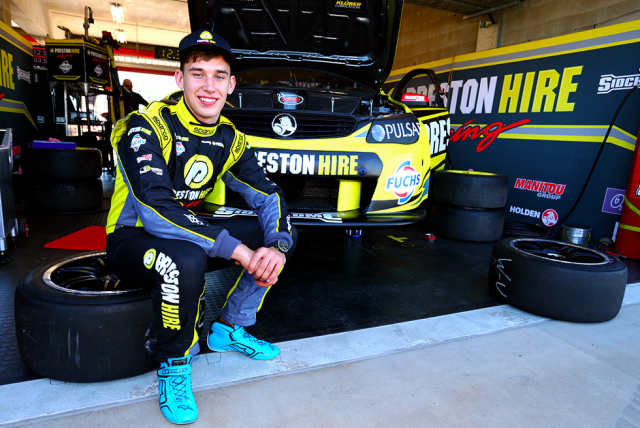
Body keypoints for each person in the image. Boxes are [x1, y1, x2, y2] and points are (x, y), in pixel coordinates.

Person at [105, 29, 296, 425]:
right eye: (198, 74)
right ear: (180, 79)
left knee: (277, 237)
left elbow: (269, 196)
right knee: (187, 258)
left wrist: (276, 245)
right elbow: (156, 209)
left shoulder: (230, 138)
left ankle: (229, 327)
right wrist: (238, 251)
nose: (209, 86)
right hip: (132, 239)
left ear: (231, 85)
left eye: (218, 76)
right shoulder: (144, 126)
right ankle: (175, 363)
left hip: (189, 235)